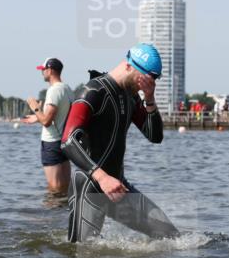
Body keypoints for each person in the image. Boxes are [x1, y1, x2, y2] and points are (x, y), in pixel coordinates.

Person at [61, 43, 179, 242]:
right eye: (143, 81)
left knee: (169, 236)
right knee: (80, 257)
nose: (142, 87)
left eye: (150, 83)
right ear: (129, 66)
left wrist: (149, 99)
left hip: (118, 187)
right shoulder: (93, 91)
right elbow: (68, 141)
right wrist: (102, 177)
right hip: (90, 185)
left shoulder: (131, 97)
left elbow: (155, 136)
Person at [23, 57, 73, 194]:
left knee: (54, 189)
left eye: (43, 70)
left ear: (50, 70)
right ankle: (63, 214)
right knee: (64, 188)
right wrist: (37, 117)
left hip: (51, 144)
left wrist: (35, 108)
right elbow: (59, 116)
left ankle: (51, 215)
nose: (42, 72)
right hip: (64, 142)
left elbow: (47, 121)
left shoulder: (53, 91)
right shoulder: (67, 88)